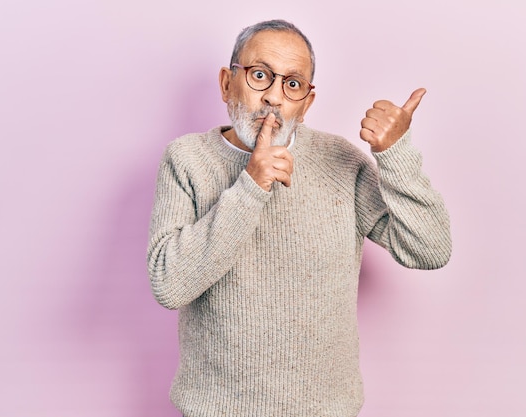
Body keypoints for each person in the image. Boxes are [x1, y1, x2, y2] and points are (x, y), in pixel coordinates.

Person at [147, 19, 451, 417]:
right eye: (260, 75)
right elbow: (170, 286)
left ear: (306, 104)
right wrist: (251, 186)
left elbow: (430, 249)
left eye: (292, 84)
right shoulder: (186, 160)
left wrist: (395, 154)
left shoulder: (340, 161)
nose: (273, 97)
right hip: (217, 409)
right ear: (227, 83)